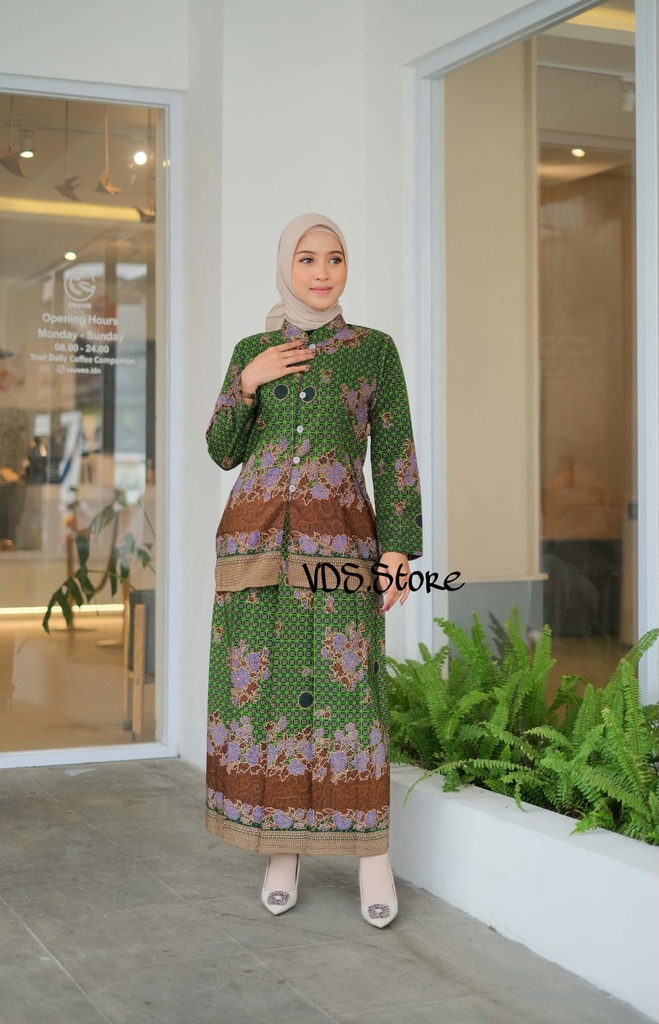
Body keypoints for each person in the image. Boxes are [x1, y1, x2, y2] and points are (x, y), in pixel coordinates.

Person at [204, 213, 422, 928]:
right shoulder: (253, 350)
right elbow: (222, 450)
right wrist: (246, 383)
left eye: (334, 258)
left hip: (342, 549)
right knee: (264, 700)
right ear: (286, 266)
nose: (322, 272)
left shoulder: (374, 353)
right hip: (254, 549)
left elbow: (395, 452)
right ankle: (281, 852)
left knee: (351, 700)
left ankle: (372, 855)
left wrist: (398, 548)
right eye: (306, 258)